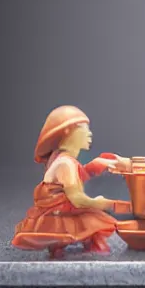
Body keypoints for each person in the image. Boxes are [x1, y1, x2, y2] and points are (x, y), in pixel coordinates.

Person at [12, 105, 132, 259]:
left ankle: (69, 247)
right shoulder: (65, 164)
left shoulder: (62, 159)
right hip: (58, 213)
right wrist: (106, 203)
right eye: (84, 128)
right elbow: (78, 200)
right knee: (98, 220)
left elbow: (76, 176)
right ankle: (87, 249)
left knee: (92, 220)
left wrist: (95, 165)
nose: (90, 134)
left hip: (63, 210)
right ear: (67, 130)